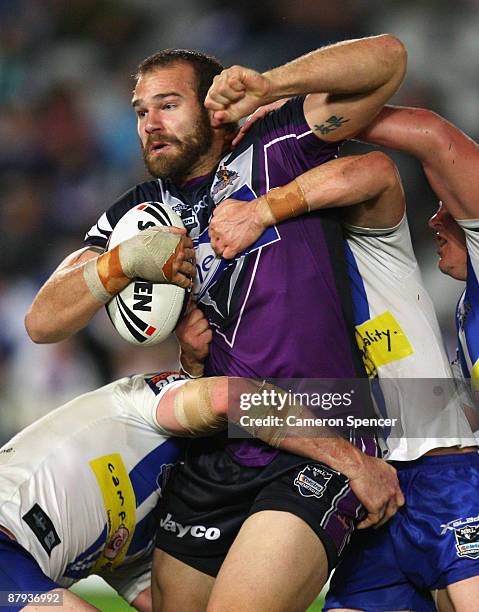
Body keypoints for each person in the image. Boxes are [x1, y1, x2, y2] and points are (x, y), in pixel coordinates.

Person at [25, 37, 407, 611]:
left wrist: (271, 84)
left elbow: (389, 60)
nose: (150, 123)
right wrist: (120, 262)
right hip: (214, 450)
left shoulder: (277, 148)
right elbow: (43, 320)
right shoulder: (137, 213)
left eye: (168, 104)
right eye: (139, 111)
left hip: (320, 432)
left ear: (213, 108)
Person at [209, 145, 479, 610]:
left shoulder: (369, 243)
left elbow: (376, 168)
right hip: (366, 490)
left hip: (440, 474)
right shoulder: (260, 294)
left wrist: (261, 209)